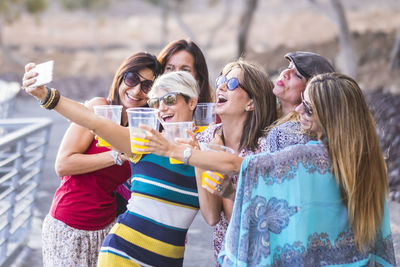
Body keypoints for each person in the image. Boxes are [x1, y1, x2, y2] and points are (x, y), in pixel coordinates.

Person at [134, 73, 396, 266]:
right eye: (302, 102)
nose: (298, 110)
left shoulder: (304, 157)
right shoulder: (367, 162)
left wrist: (176, 152)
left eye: (309, 107)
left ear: (331, 115)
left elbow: (239, 165)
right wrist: (228, 190)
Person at [22, 70, 200, 266]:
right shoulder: (145, 141)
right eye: (156, 102)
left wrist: (196, 158)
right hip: (121, 253)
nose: (162, 108)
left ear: (192, 101)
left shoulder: (208, 147)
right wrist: (46, 95)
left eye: (170, 99)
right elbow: (93, 121)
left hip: (168, 260)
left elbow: (213, 215)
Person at [194, 59, 277, 265]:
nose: (221, 86)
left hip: (258, 258)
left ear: (251, 103)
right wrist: (198, 157)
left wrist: (227, 187)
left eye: (231, 84)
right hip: (223, 259)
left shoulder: (263, 150)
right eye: (221, 79)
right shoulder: (206, 139)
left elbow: (244, 226)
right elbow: (212, 217)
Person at [265, 51, 335, 153]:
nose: (285, 73)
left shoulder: (289, 134)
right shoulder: (270, 112)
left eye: (297, 75)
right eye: (288, 67)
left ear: (312, 91)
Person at [158, 38, 214, 103]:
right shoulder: (149, 111)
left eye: (185, 70)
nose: (176, 75)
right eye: (169, 68)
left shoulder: (209, 112)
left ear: (198, 78)